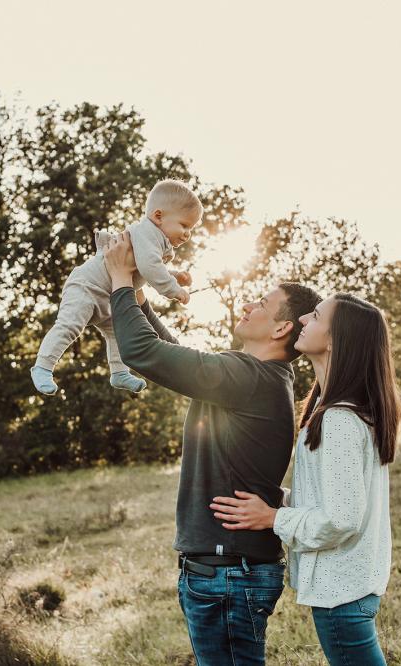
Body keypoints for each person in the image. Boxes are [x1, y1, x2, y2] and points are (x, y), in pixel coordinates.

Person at [103, 229, 322, 666]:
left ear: (281, 327)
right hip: (226, 573)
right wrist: (141, 300)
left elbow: (142, 352)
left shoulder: (249, 378)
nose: (248, 305)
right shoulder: (253, 378)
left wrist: (120, 282)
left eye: (261, 303)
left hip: (227, 575)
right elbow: (174, 354)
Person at [209, 293, 401, 666]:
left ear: (334, 340)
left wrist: (272, 518)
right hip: (349, 588)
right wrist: (276, 498)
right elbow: (334, 498)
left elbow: (341, 518)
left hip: (342, 594)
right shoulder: (333, 410)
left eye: (314, 317)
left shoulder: (339, 420)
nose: (301, 321)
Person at [30, 179, 200, 396]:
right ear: (158, 216)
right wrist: (173, 289)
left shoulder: (155, 240)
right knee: (70, 326)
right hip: (88, 287)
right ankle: (43, 366)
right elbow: (149, 267)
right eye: (184, 225)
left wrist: (174, 275)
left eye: (191, 229)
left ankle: (119, 373)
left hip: (108, 295)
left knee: (117, 333)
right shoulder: (148, 233)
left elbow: (145, 268)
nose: (187, 234)